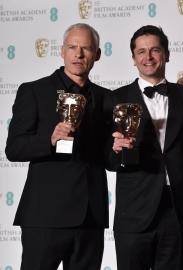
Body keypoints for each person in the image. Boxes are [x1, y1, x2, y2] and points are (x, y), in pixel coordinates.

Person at [5, 23, 110, 270]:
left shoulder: (107, 98)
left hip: (90, 218)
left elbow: (108, 157)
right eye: (72, 47)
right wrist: (49, 140)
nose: (79, 54)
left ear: (97, 54)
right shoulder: (34, 91)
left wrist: (120, 148)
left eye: (86, 48)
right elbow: (14, 148)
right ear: (62, 51)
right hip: (44, 216)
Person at [107, 25, 183, 270]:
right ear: (134, 58)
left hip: (176, 209)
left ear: (167, 54)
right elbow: (105, 157)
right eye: (141, 52)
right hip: (133, 211)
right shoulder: (114, 99)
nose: (148, 58)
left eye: (155, 50)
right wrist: (115, 150)